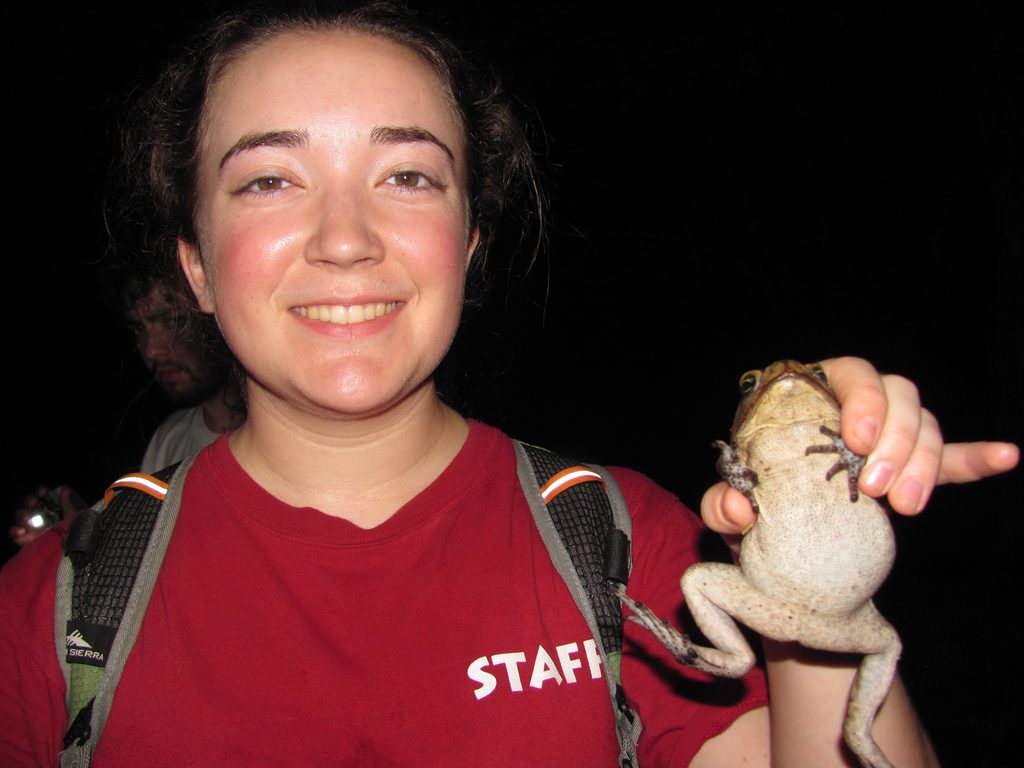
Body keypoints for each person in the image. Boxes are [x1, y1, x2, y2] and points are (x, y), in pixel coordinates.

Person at [0, 3, 1016, 766]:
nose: (346, 240)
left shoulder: (620, 544)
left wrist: (816, 576)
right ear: (195, 266)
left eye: (408, 177)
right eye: (269, 180)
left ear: (469, 244)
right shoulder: (60, 608)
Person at [7, 273, 244, 548]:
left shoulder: (282, 432)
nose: (152, 350)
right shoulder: (168, 438)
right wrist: (78, 535)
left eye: (173, 320)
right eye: (139, 328)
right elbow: (151, 564)